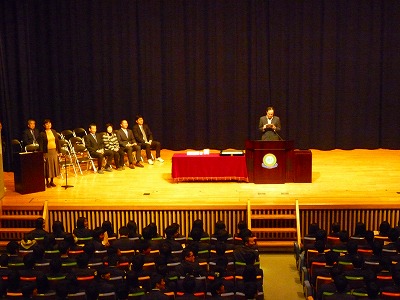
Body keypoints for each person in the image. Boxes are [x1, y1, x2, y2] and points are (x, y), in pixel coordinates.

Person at [38, 118, 61, 188]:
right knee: (47, 167)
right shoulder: (42, 134)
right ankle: (47, 182)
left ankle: (52, 181)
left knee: (53, 167)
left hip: (54, 151)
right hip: (47, 152)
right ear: (44, 125)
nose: (48, 125)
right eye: (47, 124)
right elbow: (41, 145)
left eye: (49, 123)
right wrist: (42, 154)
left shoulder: (54, 131)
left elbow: (57, 142)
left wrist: (59, 151)